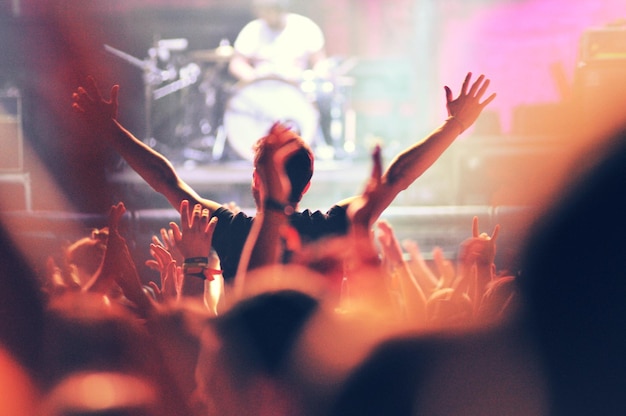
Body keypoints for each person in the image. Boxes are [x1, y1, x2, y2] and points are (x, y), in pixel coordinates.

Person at [71, 72, 495, 299]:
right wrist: (454, 125)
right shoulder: (331, 224)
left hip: (246, 373)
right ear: (307, 186)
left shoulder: (234, 230)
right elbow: (397, 179)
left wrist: (109, 130)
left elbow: (167, 181)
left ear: (257, 180)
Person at [228, 0, 328, 83]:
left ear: (280, 8)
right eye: (261, 9)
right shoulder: (252, 29)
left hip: (296, 88)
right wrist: (253, 77)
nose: (264, 14)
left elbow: (320, 62)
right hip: (261, 89)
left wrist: (313, 79)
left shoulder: (305, 26)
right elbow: (237, 63)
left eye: (269, 9)